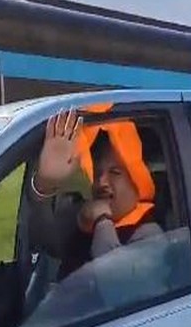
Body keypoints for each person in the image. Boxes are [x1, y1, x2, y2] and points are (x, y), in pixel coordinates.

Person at [28, 108, 163, 280]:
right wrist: (45, 183)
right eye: (97, 173)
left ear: (137, 180)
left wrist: (102, 221)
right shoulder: (82, 217)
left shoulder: (151, 235)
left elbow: (114, 283)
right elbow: (44, 241)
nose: (101, 182)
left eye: (115, 172)